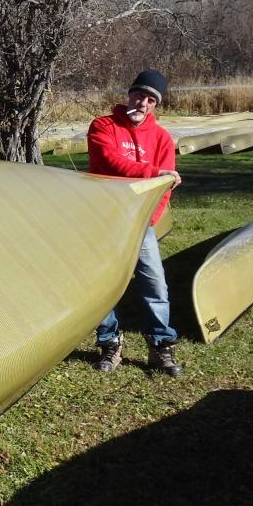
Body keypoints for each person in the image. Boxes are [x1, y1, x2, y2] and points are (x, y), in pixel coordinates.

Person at [86, 68, 183, 376]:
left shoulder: (162, 139)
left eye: (151, 100)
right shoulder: (103, 126)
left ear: (156, 105)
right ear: (129, 95)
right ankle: (110, 343)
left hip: (141, 224)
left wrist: (148, 220)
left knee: (155, 285)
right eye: (140, 95)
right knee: (103, 285)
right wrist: (153, 173)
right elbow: (110, 162)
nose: (143, 103)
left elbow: (164, 189)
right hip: (104, 219)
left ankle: (160, 347)